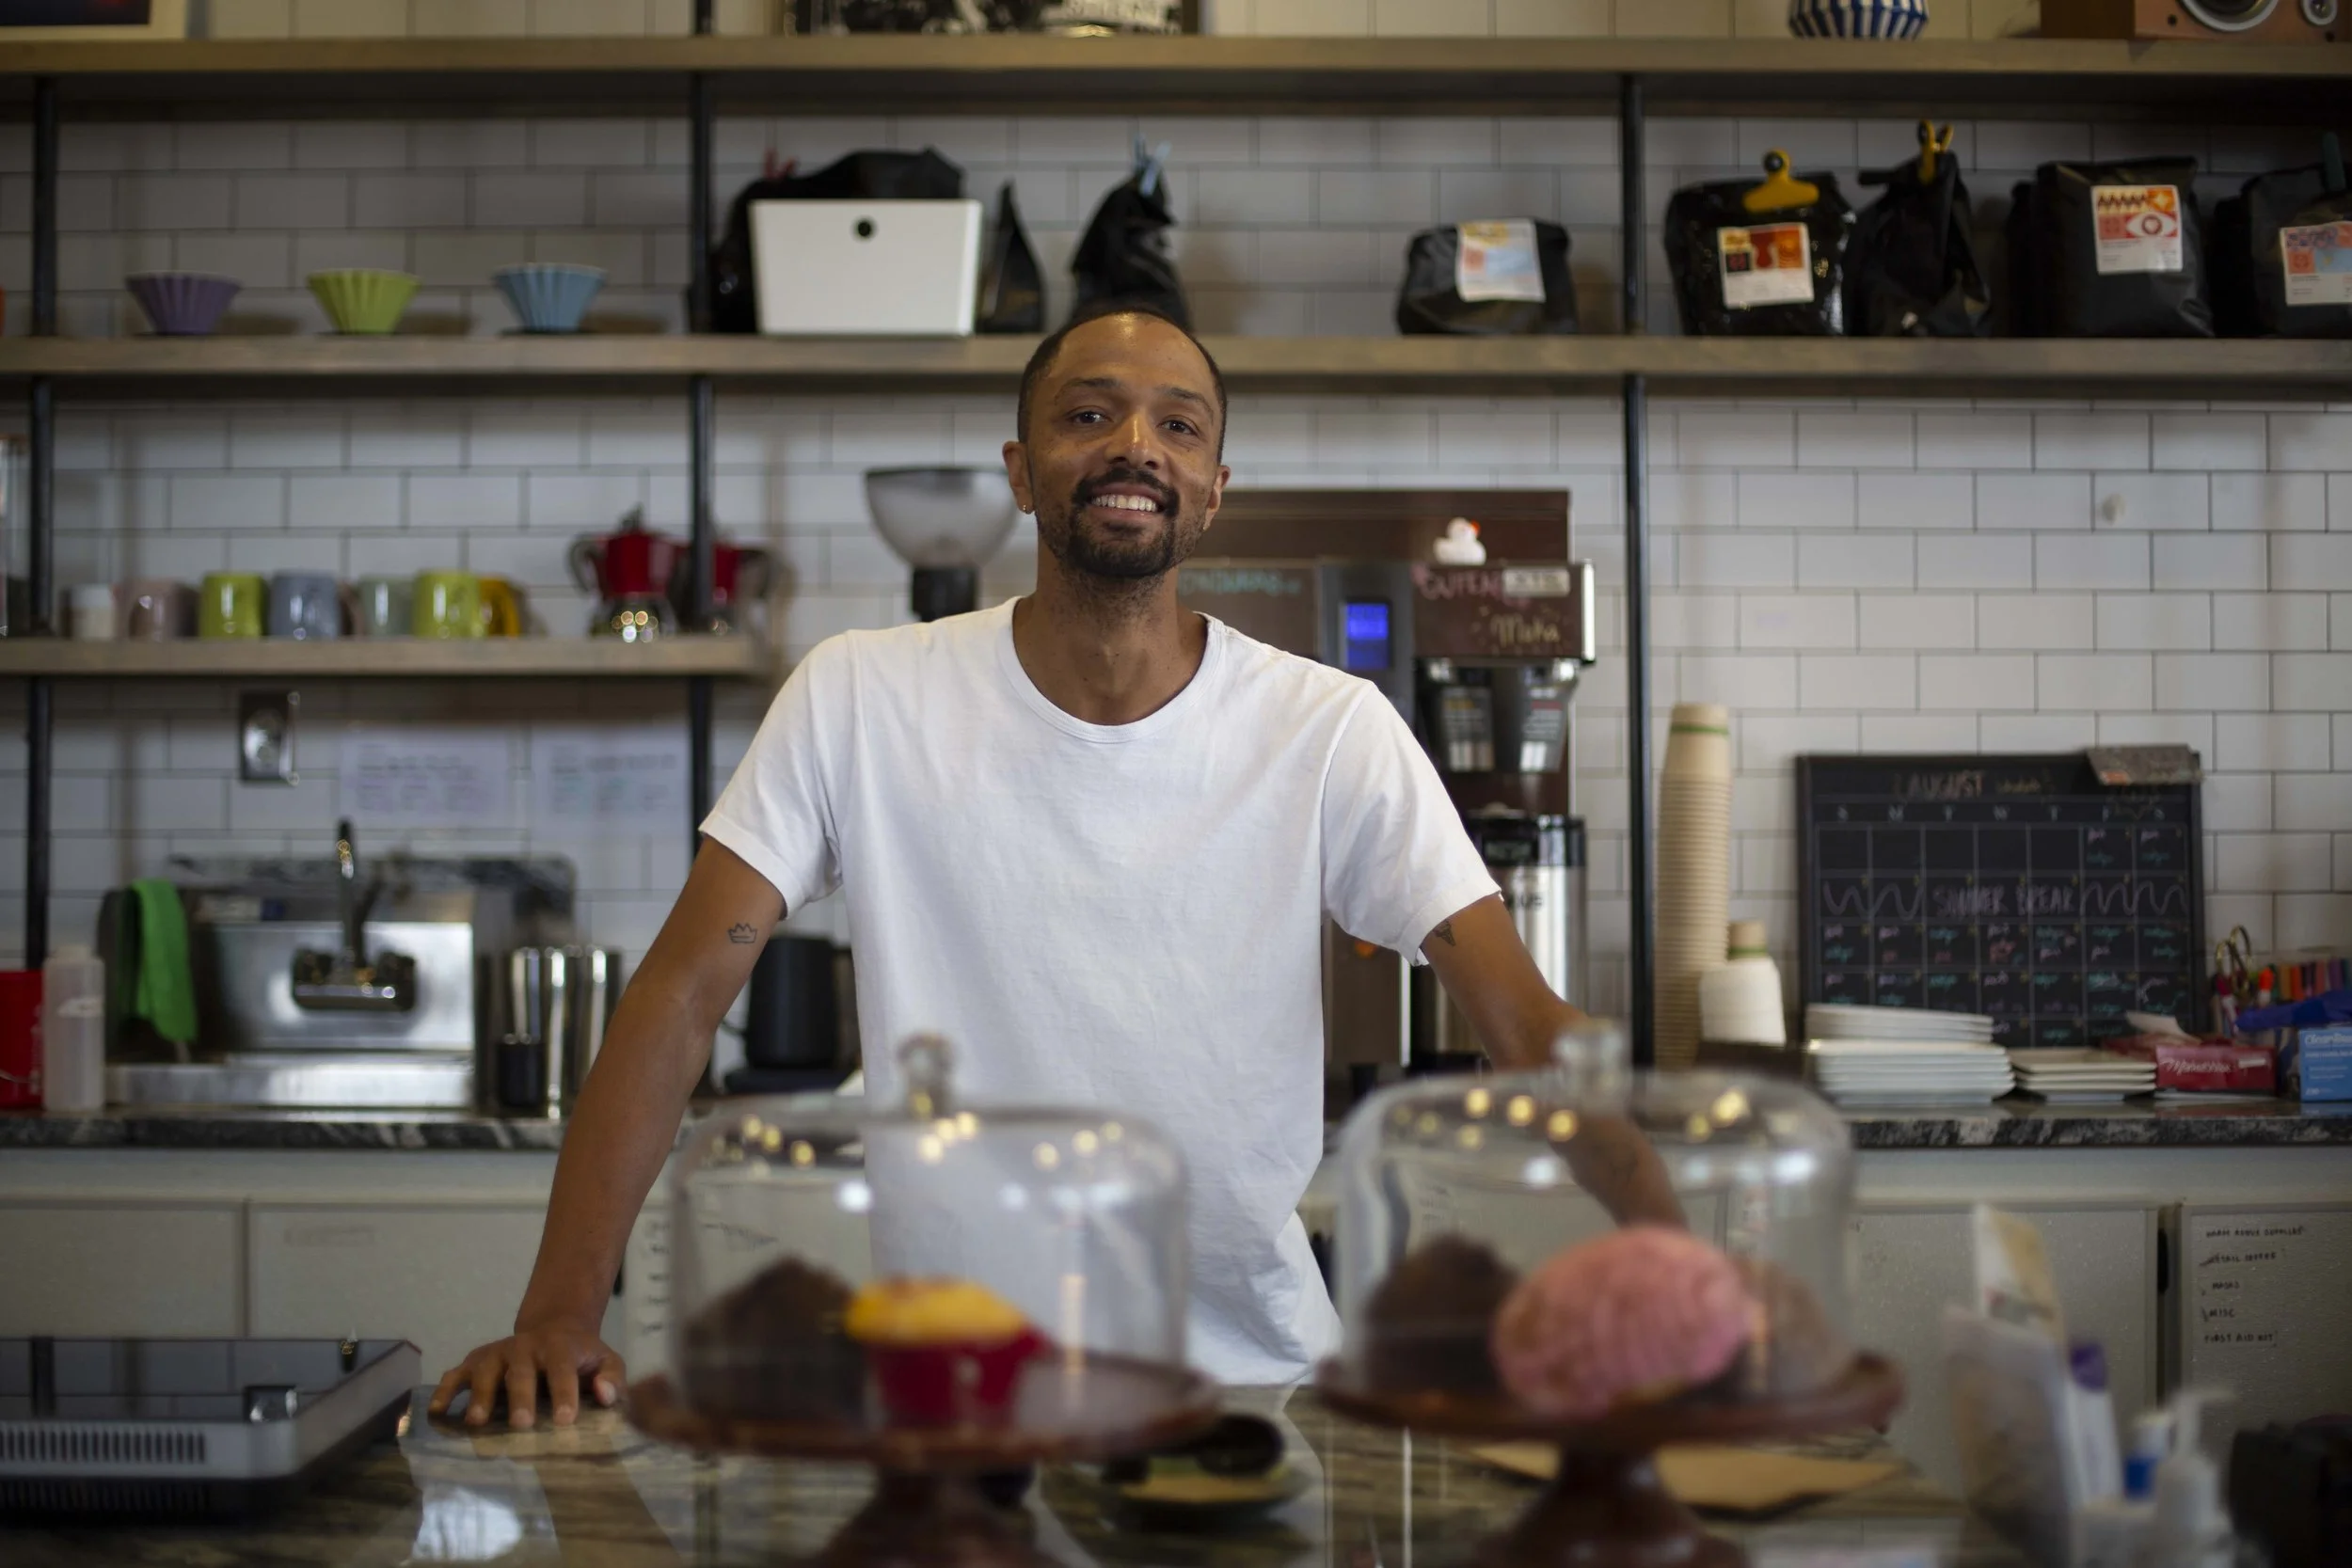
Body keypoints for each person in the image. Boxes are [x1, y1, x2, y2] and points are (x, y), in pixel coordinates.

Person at [433, 304, 1676, 1429]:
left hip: (1248, 1404)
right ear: (1022, 473)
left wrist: (1685, 1282)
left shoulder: (1326, 729)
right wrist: (558, 1311)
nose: (1137, 442)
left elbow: (1522, 1020)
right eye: (1089, 413)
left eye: (1177, 424)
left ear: (1214, 488)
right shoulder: (863, 695)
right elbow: (681, 995)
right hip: (945, 1401)